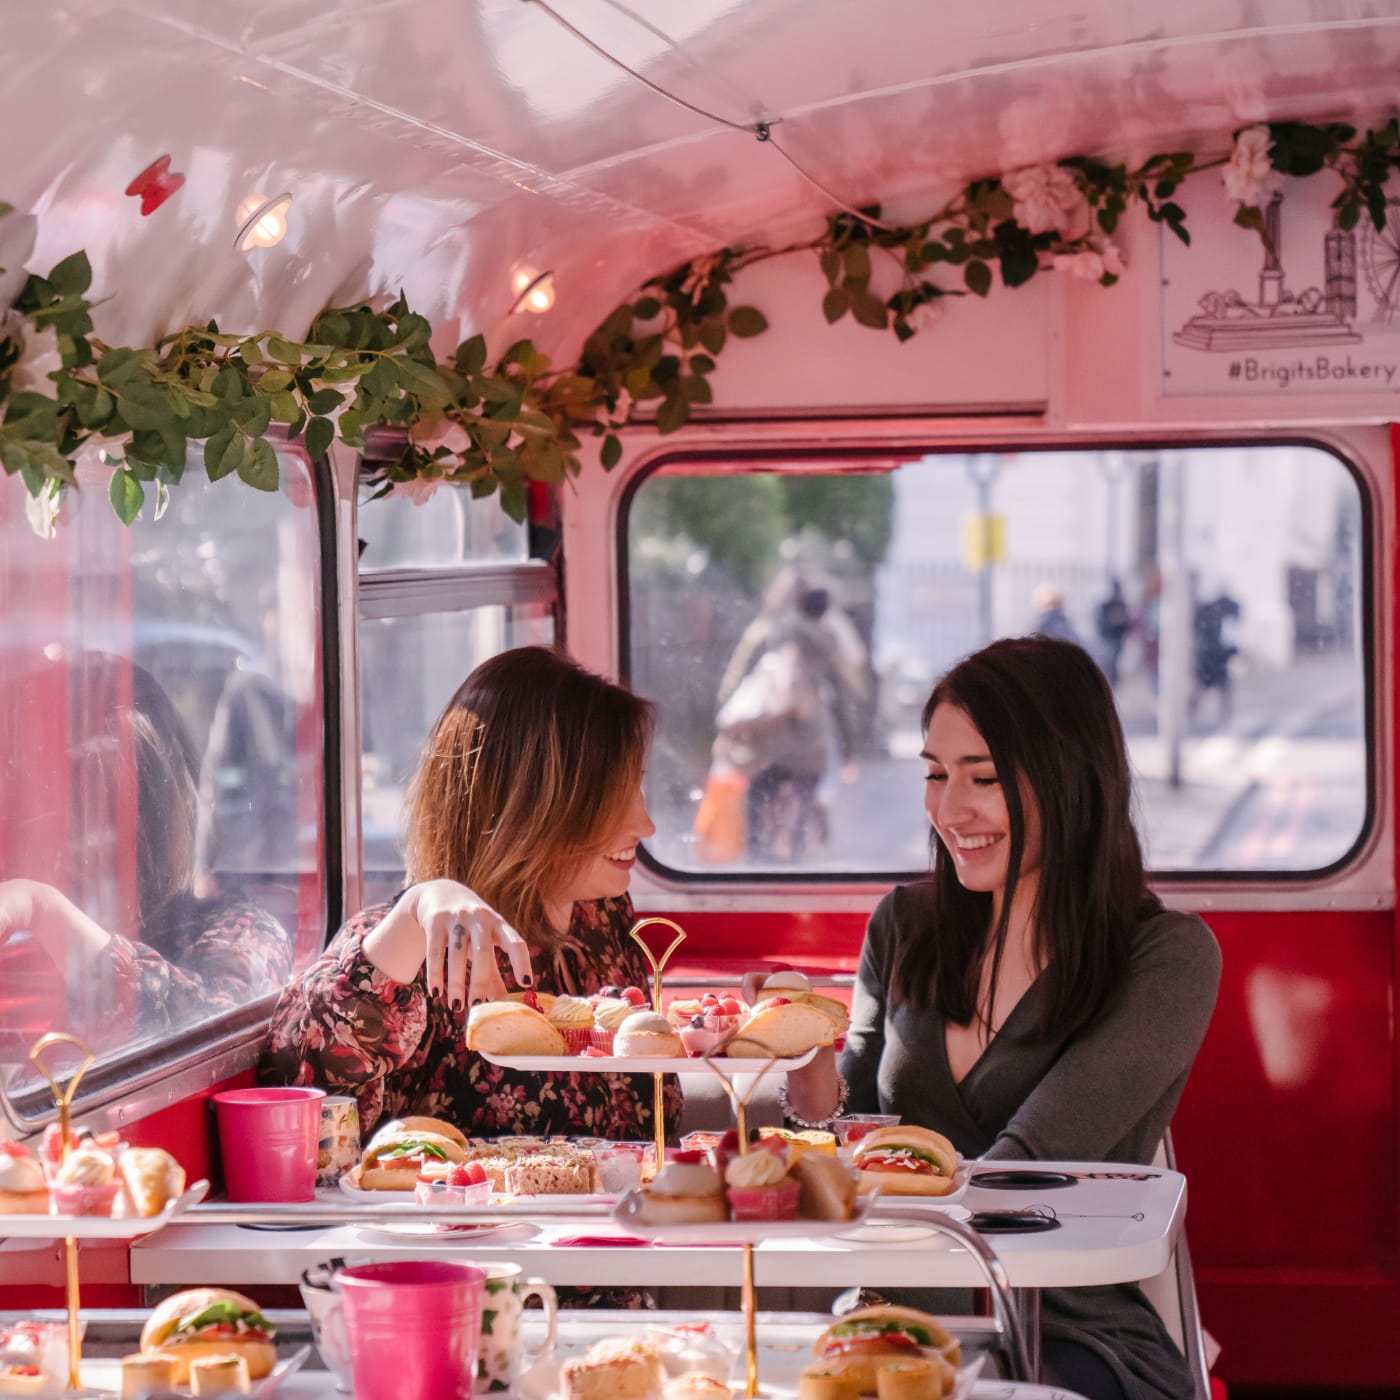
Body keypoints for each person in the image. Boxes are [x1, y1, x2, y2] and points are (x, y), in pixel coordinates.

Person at [782, 636, 1221, 1400]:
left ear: (1069, 781)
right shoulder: (904, 924)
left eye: (982, 778)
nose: (949, 809)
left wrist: (862, 1166)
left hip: (1068, 1329)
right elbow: (840, 1121)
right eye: (935, 774)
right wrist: (790, 1045)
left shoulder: (1166, 957)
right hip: (892, 1316)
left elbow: (1022, 1170)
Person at [262, 646, 683, 1144]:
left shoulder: (604, 919)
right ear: (533, 810)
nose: (646, 824)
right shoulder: (412, 950)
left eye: (637, 788)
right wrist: (419, 907)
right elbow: (296, 1084)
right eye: (613, 800)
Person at [0, 655, 292, 1040]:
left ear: (152, 820)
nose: (68, 843)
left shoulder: (242, 936)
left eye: (91, 810)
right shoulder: (21, 953)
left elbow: (205, 1028)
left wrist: (42, 908)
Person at [711, 573, 860, 862]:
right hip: (810, 740)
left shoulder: (765, 634)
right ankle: (797, 852)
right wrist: (850, 749)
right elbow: (843, 699)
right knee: (804, 799)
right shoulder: (827, 642)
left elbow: (735, 682)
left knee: (759, 797)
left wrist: (731, 723)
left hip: (767, 741)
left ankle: (758, 859)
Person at [1095, 579, 1132, 685]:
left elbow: (1127, 623)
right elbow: (1101, 622)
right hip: (1109, 637)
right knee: (1109, 660)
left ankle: (1113, 680)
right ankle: (1110, 680)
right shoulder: (1106, 605)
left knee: (1115, 661)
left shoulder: (1121, 605)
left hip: (1118, 638)